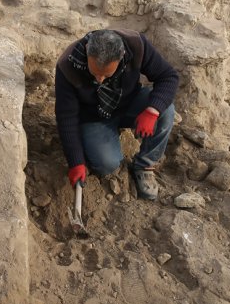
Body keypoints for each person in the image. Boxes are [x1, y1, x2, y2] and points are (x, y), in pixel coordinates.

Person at [55, 29, 179, 200]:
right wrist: (76, 161)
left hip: (129, 102)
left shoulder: (136, 46)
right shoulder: (68, 65)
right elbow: (66, 117)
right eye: (95, 73)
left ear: (121, 58)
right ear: (87, 52)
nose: (99, 80)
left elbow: (168, 77)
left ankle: (145, 165)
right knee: (107, 165)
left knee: (166, 110)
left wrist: (152, 111)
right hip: (93, 117)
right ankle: (98, 143)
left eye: (106, 74)